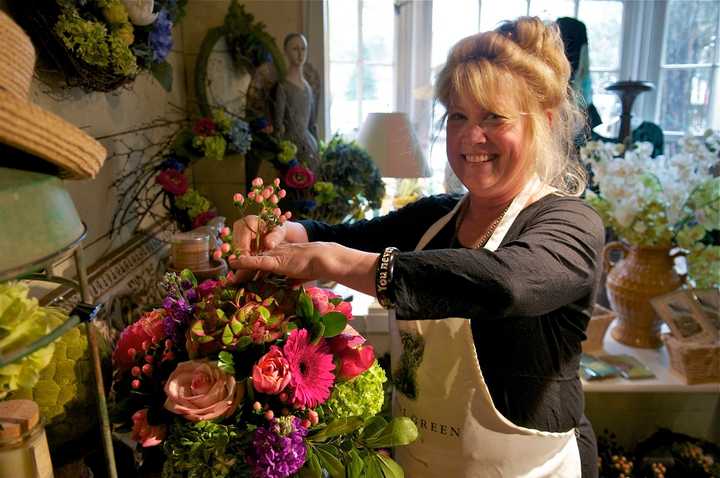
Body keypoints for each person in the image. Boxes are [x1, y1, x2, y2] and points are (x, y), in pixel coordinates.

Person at [231, 16, 603, 478]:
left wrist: (348, 263)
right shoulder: (436, 218)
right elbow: (347, 236)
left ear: (544, 123)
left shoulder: (569, 223)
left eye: (493, 117)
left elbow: (506, 283)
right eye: (458, 117)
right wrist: (286, 233)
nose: (471, 136)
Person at [272, 33, 319, 171]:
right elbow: (278, 124)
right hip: (291, 148)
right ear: (286, 52)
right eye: (295, 49)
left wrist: (317, 151)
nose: (300, 54)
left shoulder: (308, 88)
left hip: (310, 146)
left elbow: (312, 124)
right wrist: (282, 150)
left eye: (303, 49)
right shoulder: (283, 87)